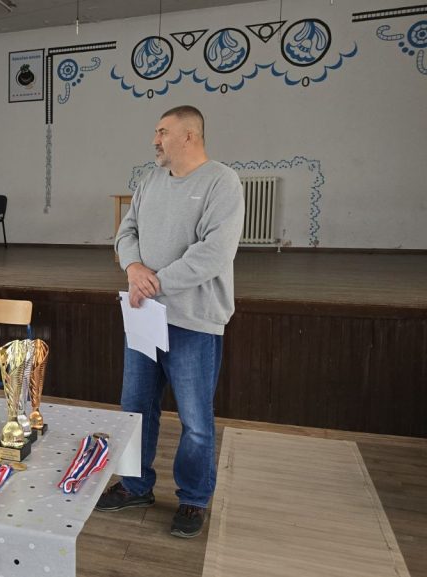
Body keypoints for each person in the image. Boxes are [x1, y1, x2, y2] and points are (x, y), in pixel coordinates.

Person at [97, 106, 244, 539]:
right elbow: (126, 233)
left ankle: (194, 498)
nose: (155, 140)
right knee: (135, 408)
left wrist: (154, 282)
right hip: (145, 314)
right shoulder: (149, 181)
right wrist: (133, 267)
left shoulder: (222, 182)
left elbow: (214, 253)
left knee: (195, 420)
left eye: (162, 132)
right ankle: (135, 486)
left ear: (189, 136)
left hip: (194, 321)